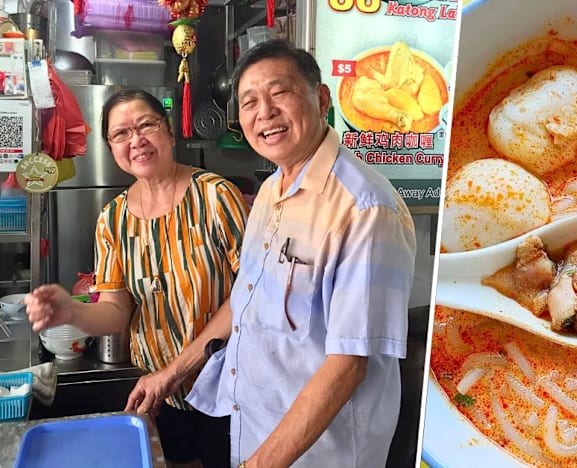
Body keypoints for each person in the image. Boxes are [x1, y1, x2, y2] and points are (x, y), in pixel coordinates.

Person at [185, 39, 417, 467]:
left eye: (280, 93)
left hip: (321, 455)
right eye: (249, 101)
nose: (265, 112)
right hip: (256, 433)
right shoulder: (272, 189)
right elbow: (245, 299)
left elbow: (348, 365)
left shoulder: (364, 207)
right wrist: (171, 374)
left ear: (322, 98)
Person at [24, 89, 250, 468]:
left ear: (169, 132)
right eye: (122, 134)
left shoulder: (216, 196)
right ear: (111, 147)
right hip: (160, 393)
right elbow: (115, 310)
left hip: (229, 388)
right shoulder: (112, 220)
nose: (137, 140)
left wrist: (174, 372)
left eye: (147, 125)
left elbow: (250, 292)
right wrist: (70, 312)